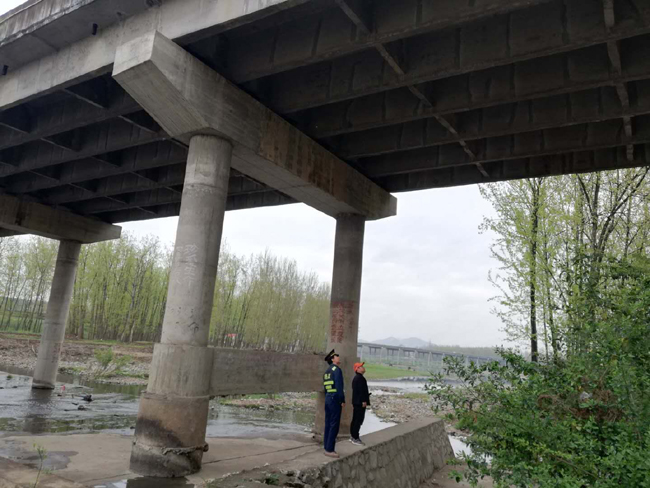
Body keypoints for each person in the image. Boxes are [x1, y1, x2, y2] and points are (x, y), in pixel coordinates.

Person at [322, 349, 345, 458]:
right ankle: (330, 449)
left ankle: (326, 446)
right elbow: (339, 387)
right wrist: (342, 400)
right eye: (336, 356)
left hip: (328, 398)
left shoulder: (327, 371)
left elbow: (325, 388)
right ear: (332, 359)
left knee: (328, 423)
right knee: (334, 424)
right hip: (335, 398)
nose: (338, 356)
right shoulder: (337, 370)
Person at [350, 362, 370, 445]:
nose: (363, 367)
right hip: (360, 403)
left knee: (355, 419)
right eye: (361, 366)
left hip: (357, 402)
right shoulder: (360, 378)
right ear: (357, 369)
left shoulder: (357, 378)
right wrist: (363, 401)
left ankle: (353, 436)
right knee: (358, 420)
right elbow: (360, 391)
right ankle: (355, 437)